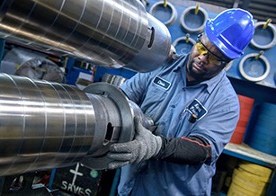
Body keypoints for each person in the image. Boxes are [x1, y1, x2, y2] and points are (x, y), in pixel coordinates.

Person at [107, 8, 255, 195]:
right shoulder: (161, 67)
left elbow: (201, 149)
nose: (202, 58)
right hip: (131, 187)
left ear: (226, 62)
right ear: (199, 38)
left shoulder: (226, 102)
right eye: (202, 47)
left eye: (214, 58)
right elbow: (123, 99)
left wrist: (156, 146)